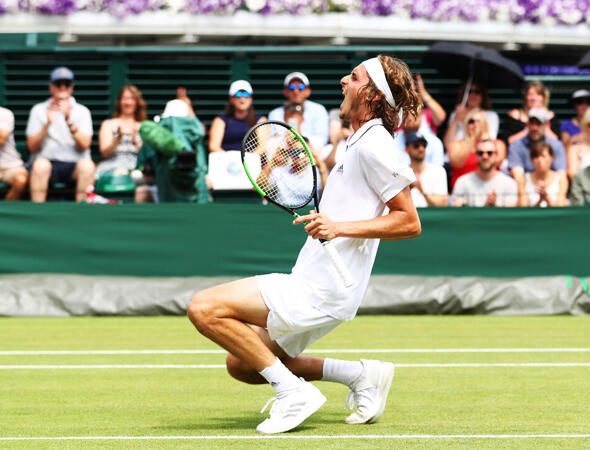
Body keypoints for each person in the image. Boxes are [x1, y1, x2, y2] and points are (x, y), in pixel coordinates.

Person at [187, 55, 421, 434]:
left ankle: (293, 393)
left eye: (355, 77)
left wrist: (338, 227)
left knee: (204, 307)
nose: (344, 81)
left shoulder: (374, 143)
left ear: (374, 97)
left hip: (322, 289)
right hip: (323, 282)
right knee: (243, 365)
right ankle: (361, 375)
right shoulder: (357, 140)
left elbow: (409, 221)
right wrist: (330, 222)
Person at [25, 66, 94, 202]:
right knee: (40, 165)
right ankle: (37, 215)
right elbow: (32, 147)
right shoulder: (38, 110)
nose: (63, 87)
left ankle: (83, 214)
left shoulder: (82, 111)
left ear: (71, 88)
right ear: (51, 87)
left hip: (74, 164)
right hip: (48, 163)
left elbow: (85, 145)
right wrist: (47, 124)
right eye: (58, 84)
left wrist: (69, 121)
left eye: (67, 84)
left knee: (88, 166)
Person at [507, 107, 566, 193]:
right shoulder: (516, 145)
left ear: (547, 125)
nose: (534, 128)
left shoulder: (556, 145)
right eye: (532, 123)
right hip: (525, 189)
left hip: (552, 189)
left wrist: (545, 189)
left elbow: (561, 176)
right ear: (527, 124)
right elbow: (518, 177)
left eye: (538, 123)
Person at [446, 107, 506, 190]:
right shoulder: (455, 145)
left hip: (490, 190)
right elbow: (456, 163)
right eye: (471, 122)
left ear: (485, 124)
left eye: (479, 122)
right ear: (466, 124)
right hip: (464, 192)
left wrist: (484, 140)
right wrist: (472, 140)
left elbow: (498, 160)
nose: (475, 125)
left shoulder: (497, 144)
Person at [95, 84, 146, 179]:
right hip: (112, 165)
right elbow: (105, 153)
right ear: (119, 102)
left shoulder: (144, 126)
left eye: (132, 99)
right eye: (125, 98)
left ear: (137, 102)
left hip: (137, 167)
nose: (128, 102)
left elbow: (147, 156)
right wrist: (117, 139)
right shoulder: (108, 124)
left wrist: (136, 140)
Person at [268, 72, 329, 148]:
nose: (296, 91)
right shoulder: (275, 113)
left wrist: (299, 135)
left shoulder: (319, 110)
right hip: (283, 153)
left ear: (308, 91)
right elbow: (273, 139)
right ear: (285, 91)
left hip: (311, 152)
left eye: (300, 87)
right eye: (291, 87)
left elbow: (322, 140)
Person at [450, 138, 518, 207]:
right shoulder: (462, 182)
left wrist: (494, 207)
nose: (485, 156)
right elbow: (457, 213)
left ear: (496, 155)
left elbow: (509, 215)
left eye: (489, 153)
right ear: (476, 155)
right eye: (480, 153)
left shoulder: (509, 183)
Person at [209, 80, 266, 153]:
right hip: (227, 162)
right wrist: (231, 160)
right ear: (231, 99)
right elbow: (214, 146)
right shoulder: (220, 120)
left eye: (246, 94)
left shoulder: (260, 120)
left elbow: (263, 146)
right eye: (238, 94)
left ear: (251, 98)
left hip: (252, 161)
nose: (242, 99)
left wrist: (247, 160)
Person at [404, 132, 448, 207]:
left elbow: (442, 203)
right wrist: (409, 188)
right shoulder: (402, 173)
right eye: (416, 145)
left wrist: (422, 190)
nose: (421, 149)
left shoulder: (438, 171)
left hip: (432, 217)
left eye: (424, 145)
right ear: (407, 149)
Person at [519, 140, 567, 207]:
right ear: (531, 159)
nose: (540, 160)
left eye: (543, 156)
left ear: (552, 157)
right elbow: (523, 210)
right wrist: (540, 201)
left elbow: (561, 208)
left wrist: (546, 197)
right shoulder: (524, 179)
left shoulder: (561, 179)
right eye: (536, 157)